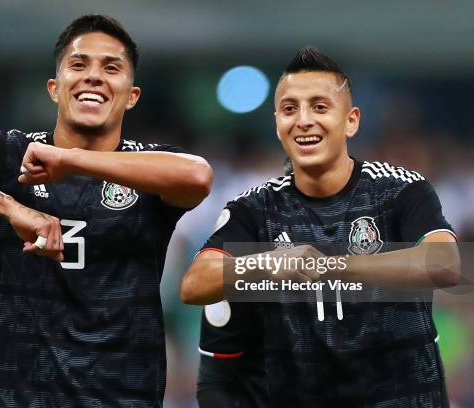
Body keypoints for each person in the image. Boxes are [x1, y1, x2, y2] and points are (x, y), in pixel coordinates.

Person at [0, 14, 213, 407]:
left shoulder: (150, 168)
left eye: (111, 67)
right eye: (79, 64)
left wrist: (72, 160)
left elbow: (198, 176)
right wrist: (8, 207)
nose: (93, 75)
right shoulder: (9, 154)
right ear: (55, 89)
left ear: (131, 95)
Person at [181, 47, 459, 407]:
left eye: (320, 107)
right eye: (289, 109)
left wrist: (329, 265)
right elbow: (194, 285)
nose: (303, 120)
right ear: (277, 123)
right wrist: (268, 263)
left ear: (351, 121)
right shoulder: (253, 210)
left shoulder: (401, 190)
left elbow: (445, 264)